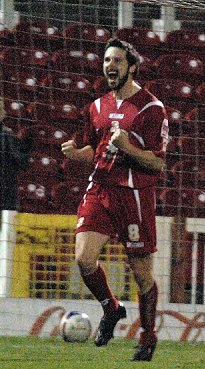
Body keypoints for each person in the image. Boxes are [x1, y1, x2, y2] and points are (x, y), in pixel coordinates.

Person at [61, 38, 169, 362]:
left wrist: (129, 148)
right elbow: (93, 151)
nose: (110, 66)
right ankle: (112, 308)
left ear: (131, 66)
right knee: (83, 257)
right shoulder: (96, 107)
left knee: (140, 274)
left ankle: (148, 338)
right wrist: (75, 153)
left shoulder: (151, 108)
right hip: (101, 189)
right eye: (107, 60)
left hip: (135, 195)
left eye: (117, 61)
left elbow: (158, 163)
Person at [0, 97, 32, 212]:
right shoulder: (6, 134)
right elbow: (21, 162)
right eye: (2, 109)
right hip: (6, 197)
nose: (4, 112)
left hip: (6, 196)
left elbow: (20, 162)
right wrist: (27, 147)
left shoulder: (6, 134)